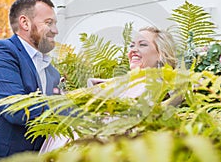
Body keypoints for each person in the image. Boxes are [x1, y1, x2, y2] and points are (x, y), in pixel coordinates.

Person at [39, 26, 178, 154]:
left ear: (160, 54)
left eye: (142, 45)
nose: (133, 50)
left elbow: (120, 124)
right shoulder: (126, 83)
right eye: (131, 45)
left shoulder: (152, 84)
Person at [0, 0, 60, 161]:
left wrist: (93, 95)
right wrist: (71, 104)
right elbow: (17, 110)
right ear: (25, 23)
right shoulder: (0, 53)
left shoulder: (52, 73)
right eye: (49, 23)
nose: (55, 30)